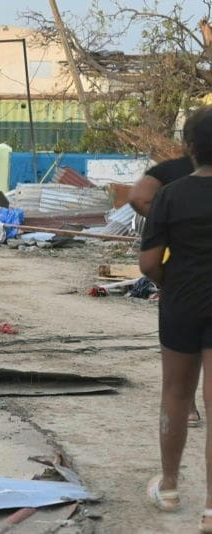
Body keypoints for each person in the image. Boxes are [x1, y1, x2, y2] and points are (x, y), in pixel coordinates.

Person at [139, 106, 212, 531]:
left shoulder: (171, 195)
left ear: (188, 148)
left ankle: (168, 488)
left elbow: (149, 264)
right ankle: (210, 511)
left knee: (176, 396)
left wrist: (172, 281)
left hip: (181, 303)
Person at [131, 153, 201, 427]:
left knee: (185, 352)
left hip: (183, 282)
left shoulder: (172, 177)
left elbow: (138, 197)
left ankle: (171, 470)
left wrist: (164, 280)